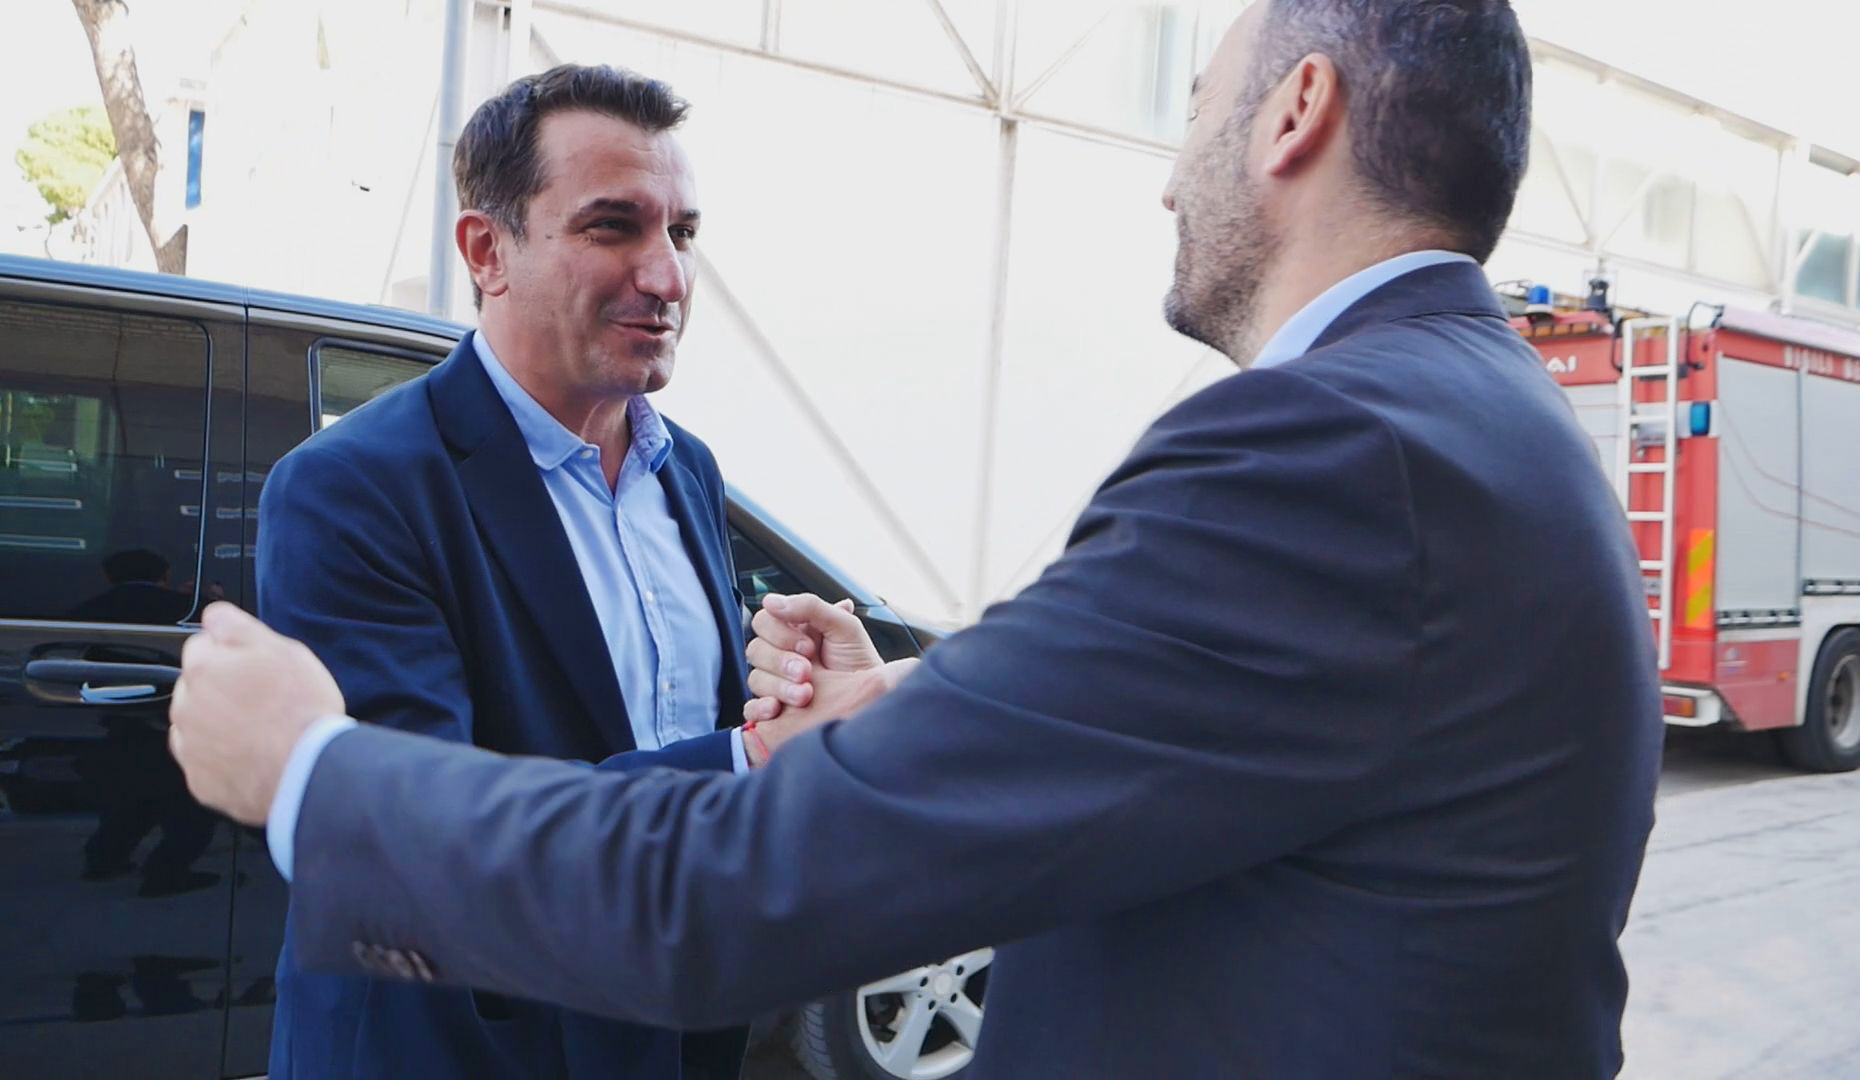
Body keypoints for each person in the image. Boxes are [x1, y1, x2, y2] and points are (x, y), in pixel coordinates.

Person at [169, 3, 1664, 1076]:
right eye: (615, 227)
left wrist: (312, 774)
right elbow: (1222, 725)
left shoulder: (1323, 448)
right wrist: (890, 705)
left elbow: (729, 886)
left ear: (1298, 112)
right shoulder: (1488, 420)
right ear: (485, 251)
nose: (1168, 172)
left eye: (1197, 106)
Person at [252, 64, 804, 1080]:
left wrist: (793, 702)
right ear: (485, 250)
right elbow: (413, 840)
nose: (668, 277)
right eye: (613, 227)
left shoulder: (686, 469)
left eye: (682, 233)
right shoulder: (353, 488)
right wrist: (751, 757)